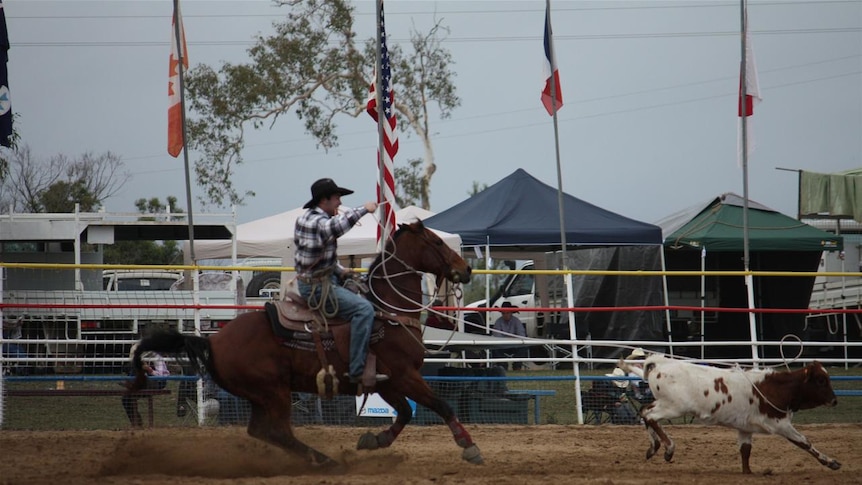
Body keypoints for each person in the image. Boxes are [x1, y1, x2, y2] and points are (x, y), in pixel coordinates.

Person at [294, 177, 387, 385]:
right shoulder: (314, 221)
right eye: (337, 198)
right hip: (317, 287)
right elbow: (333, 229)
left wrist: (340, 270)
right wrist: (364, 209)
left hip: (325, 278)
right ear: (324, 200)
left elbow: (318, 253)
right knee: (364, 310)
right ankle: (357, 370)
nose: (339, 203)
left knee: (365, 294)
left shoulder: (309, 219)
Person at [122, 353, 169, 427]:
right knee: (126, 399)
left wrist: (149, 370)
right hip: (143, 382)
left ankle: (131, 383)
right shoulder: (140, 356)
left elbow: (163, 376)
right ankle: (136, 423)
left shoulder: (157, 357)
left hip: (156, 382)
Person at [489, 301, 527, 371]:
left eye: (507, 313)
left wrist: (506, 338)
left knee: (523, 347)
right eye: (503, 313)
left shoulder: (516, 321)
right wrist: (512, 337)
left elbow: (521, 335)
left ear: (511, 313)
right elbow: (497, 336)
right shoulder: (498, 322)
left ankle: (517, 366)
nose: (505, 315)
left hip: (515, 345)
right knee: (494, 348)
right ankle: (502, 366)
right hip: (502, 346)